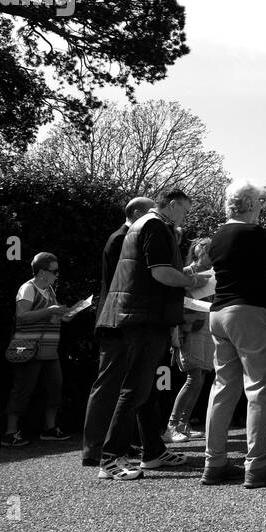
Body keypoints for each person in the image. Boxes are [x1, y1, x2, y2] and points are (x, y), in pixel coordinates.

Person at [90, 190, 204, 481]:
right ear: (174, 204)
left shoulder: (144, 225)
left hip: (138, 315)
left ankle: (152, 452)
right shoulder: (155, 225)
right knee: (135, 390)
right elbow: (161, 272)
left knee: (146, 390)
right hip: (143, 318)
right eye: (185, 210)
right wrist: (192, 281)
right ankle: (110, 459)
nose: (185, 217)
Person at [202, 179, 266, 487]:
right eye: (259, 204)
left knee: (222, 387)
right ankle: (257, 466)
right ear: (253, 206)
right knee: (259, 388)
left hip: (218, 313)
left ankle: (214, 462)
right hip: (250, 312)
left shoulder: (217, 237)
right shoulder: (254, 232)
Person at [82, 197, 155, 467]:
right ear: (136, 213)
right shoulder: (120, 238)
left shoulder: (125, 237)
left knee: (127, 383)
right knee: (108, 384)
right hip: (116, 320)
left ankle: (119, 444)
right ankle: (96, 448)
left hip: (121, 319)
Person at [3, 252, 70, 446]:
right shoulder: (27, 289)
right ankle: (10, 432)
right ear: (41, 272)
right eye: (54, 271)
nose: (57, 275)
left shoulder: (49, 290)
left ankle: (49, 428)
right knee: (22, 388)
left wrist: (65, 315)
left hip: (49, 349)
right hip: (29, 347)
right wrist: (49, 311)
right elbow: (21, 316)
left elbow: (51, 315)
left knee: (55, 388)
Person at [166, 237, 214, 443]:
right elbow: (177, 302)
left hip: (207, 327)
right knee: (193, 377)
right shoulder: (186, 273)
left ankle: (183, 425)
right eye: (209, 251)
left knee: (200, 377)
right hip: (190, 329)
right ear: (198, 252)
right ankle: (172, 425)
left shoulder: (214, 274)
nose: (213, 256)